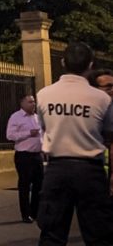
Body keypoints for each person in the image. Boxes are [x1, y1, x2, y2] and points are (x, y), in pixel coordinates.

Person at [35, 42, 113, 245]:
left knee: (52, 233)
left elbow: (45, 128)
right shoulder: (101, 99)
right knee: (99, 235)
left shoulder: (44, 95)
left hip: (57, 169)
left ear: (62, 62)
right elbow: (108, 134)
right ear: (90, 64)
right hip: (90, 171)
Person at [6, 94, 44, 223]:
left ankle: (35, 212)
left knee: (39, 185)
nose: (33, 104)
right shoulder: (16, 117)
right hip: (24, 155)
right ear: (22, 103)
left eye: (34, 102)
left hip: (37, 155)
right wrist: (28, 133)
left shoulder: (37, 118)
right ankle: (25, 213)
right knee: (25, 185)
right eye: (30, 102)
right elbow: (10, 136)